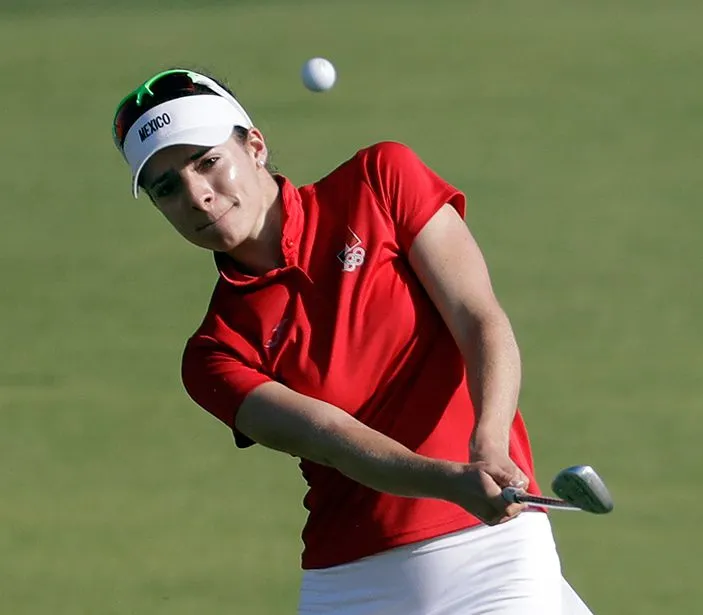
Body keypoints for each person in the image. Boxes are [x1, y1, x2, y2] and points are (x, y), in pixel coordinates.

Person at [111, 68, 594, 615]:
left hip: (491, 551)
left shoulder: (379, 182)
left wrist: (489, 443)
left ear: (255, 147)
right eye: (167, 188)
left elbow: (478, 317)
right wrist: (450, 480)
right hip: (349, 584)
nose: (197, 196)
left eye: (208, 161)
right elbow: (335, 440)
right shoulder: (213, 353)